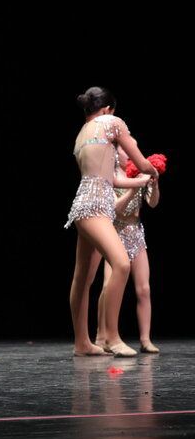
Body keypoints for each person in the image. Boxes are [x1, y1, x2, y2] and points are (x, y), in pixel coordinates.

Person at [65, 86, 157, 357]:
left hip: (83, 205)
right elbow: (140, 161)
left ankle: (82, 343)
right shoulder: (113, 122)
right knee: (121, 263)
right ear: (107, 109)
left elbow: (110, 178)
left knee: (83, 277)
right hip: (96, 207)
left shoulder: (81, 134)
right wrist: (152, 170)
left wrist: (140, 182)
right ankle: (112, 338)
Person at [96, 146, 161, 354]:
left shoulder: (139, 173)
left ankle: (145, 339)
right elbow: (115, 208)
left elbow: (152, 203)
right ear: (117, 153)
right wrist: (135, 187)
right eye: (127, 150)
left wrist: (154, 184)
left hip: (136, 233)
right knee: (108, 286)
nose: (133, 153)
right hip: (115, 234)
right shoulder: (110, 177)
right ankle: (102, 336)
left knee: (144, 289)